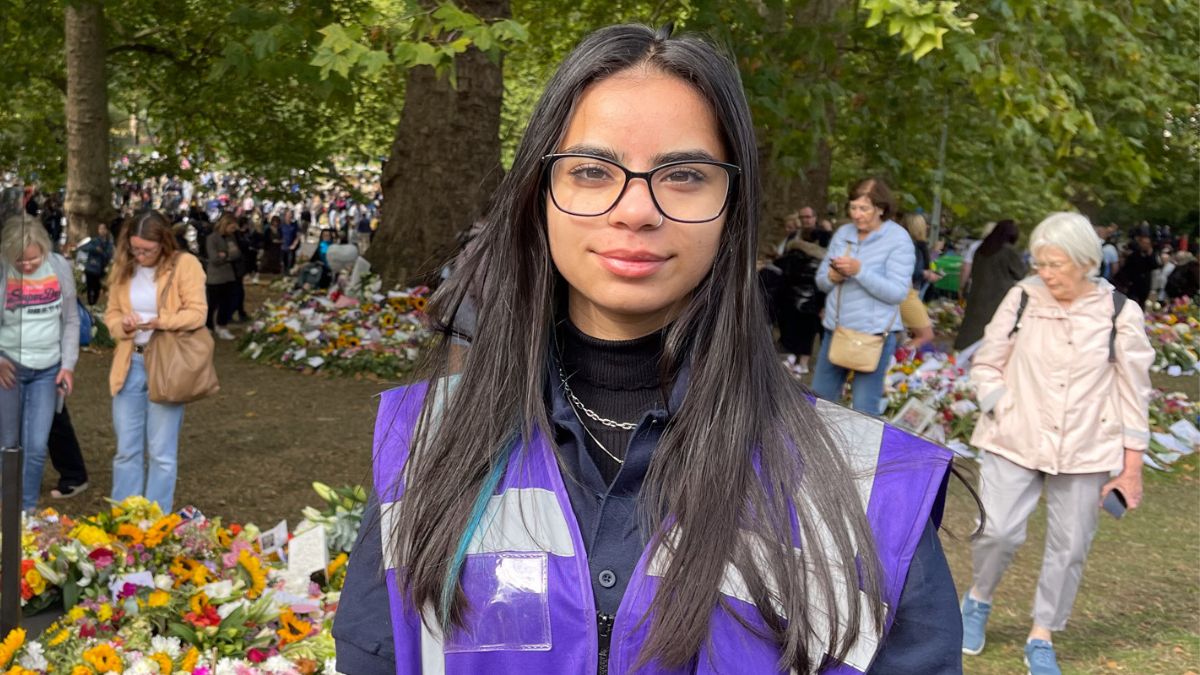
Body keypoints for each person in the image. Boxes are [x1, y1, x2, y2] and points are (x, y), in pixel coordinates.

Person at [334, 24, 960, 675]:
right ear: (539, 194)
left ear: (733, 208)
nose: (635, 209)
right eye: (592, 170)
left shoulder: (870, 486)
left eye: (684, 173)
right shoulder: (426, 442)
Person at [961, 212, 1153, 675]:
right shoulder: (1022, 298)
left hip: (1088, 446)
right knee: (998, 530)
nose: (1045, 273)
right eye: (1040, 263)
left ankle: (1042, 633)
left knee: (1069, 547)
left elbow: (1134, 391)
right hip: (1014, 436)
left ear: (1086, 262)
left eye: (1056, 264)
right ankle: (978, 599)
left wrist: (1131, 468)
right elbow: (986, 362)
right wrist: (1000, 403)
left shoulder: (1119, 312)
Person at [104, 210, 207, 513]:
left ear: (163, 243)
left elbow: (197, 314)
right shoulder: (124, 267)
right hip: (129, 363)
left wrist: (157, 321)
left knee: (161, 452)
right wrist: (121, 325)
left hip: (166, 366)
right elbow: (110, 314)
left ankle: (156, 519)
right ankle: (124, 515)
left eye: (147, 250)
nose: (141, 254)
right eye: (135, 248)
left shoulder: (185, 265)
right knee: (126, 450)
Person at [811, 177, 914, 414]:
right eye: (853, 207)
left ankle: (861, 452)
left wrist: (859, 271)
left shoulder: (898, 239)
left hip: (873, 336)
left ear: (881, 209)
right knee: (818, 404)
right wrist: (832, 278)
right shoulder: (843, 233)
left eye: (864, 209)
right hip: (835, 331)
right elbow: (821, 281)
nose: (856, 215)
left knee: (864, 411)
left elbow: (897, 293)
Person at [0, 215, 79, 512]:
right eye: (20, 261)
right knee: (8, 445)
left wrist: (67, 364)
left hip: (48, 369)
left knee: (35, 446)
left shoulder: (58, 267)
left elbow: (70, 320)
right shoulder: (3, 270)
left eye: (33, 259)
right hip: (10, 369)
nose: (28, 266)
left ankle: (26, 511)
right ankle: (6, 508)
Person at [953, 219, 1026, 351]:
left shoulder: (982, 249)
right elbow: (1020, 274)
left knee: (972, 332)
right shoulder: (1008, 251)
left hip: (977, 295)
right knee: (993, 334)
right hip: (998, 298)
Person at [773, 212, 828, 374]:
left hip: (809, 295)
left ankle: (799, 362)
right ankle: (798, 362)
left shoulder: (820, 240)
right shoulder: (793, 243)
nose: (807, 220)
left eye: (809, 217)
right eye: (804, 217)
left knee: (804, 331)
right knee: (801, 331)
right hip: (798, 294)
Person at [898, 213, 938, 352]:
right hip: (908, 294)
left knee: (901, 333)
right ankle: (900, 358)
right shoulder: (913, 247)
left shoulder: (906, 245)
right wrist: (925, 273)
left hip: (907, 293)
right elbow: (910, 270)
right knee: (926, 334)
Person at [204, 214, 241, 340]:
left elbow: (236, 254)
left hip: (228, 275)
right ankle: (208, 326)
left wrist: (224, 255)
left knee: (226, 303)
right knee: (212, 303)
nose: (233, 230)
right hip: (215, 277)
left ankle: (222, 326)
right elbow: (214, 258)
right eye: (231, 227)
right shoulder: (212, 238)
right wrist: (226, 255)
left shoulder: (231, 238)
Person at [1112, 225, 1160, 307]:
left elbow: (1154, 265)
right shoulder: (1134, 254)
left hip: (1144, 285)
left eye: (1147, 243)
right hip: (1133, 285)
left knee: (1141, 304)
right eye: (1143, 243)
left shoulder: (1151, 255)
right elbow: (1128, 268)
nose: (1145, 245)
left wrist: (1150, 253)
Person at [958, 221, 996, 300]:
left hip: (974, 286)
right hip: (994, 289)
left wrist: (961, 286)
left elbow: (966, 268)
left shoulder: (975, 246)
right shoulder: (1004, 250)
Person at [80, 222, 115, 305]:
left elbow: (108, 255)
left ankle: (94, 303)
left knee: (96, 287)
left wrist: (101, 252)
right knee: (89, 287)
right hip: (90, 267)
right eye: (100, 229)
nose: (102, 231)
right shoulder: (94, 240)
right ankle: (90, 303)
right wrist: (95, 249)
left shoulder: (108, 244)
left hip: (99, 269)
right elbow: (84, 247)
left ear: (106, 230)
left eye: (103, 229)